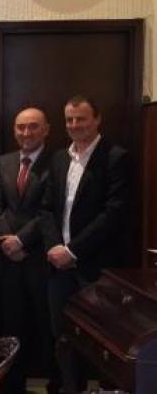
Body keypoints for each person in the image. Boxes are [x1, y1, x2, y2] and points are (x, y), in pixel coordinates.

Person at [40, 96, 130, 393]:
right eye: (69, 120)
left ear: (97, 119)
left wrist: (72, 250)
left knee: (102, 343)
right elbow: (47, 208)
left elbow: (113, 214)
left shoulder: (116, 157)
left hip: (96, 268)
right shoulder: (58, 158)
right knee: (61, 337)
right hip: (58, 266)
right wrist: (55, 247)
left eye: (81, 119)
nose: (74, 125)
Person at [0, 107, 55, 394]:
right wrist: (8, 240)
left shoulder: (59, 161)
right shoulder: (3, 162)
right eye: (20, 127)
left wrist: (22, 241)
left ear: (46, 130)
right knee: (11, 322)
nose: (26, 133)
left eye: (33, 127)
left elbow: (49, 210)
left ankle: (51, 382)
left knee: (44, 323)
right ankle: (12, 384)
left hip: (39, 256)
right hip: (7, 257)